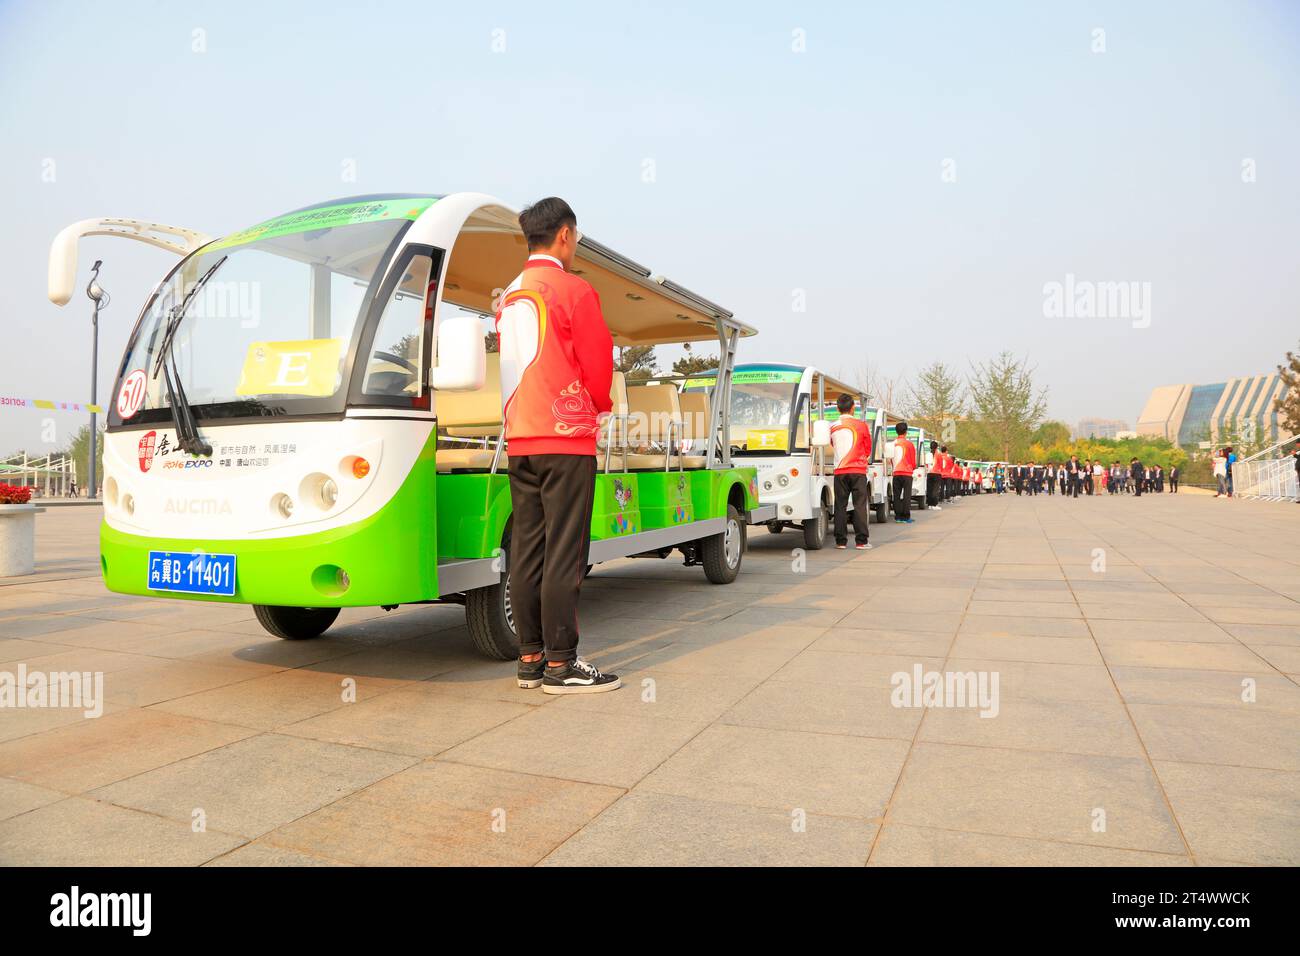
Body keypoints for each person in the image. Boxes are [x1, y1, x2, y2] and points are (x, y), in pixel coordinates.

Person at [497, 197, 619, 695]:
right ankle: (561, 664)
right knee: (565, 553)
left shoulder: (509, 293)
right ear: (565, 236)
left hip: (520, 439)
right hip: (566, 440)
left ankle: (529, 657)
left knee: (528, 550)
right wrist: (597, 407)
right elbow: (596, 366)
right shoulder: (573, 289)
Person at [830, 394, 872, 550]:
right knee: (859, 505)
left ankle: (840, 541)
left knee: (840, 505)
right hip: (858, 470)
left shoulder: (832, 426)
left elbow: (833, 444)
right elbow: (868, 449)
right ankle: (861, 541)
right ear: (853, 407)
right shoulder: (861, 425)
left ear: (837, 408)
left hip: (840, 471)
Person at [891, 422, 916, 523]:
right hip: (907, 473)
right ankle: (906, 517)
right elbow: (913, 461)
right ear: (906, 432)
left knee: (896, 495)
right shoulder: (909, 444)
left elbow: (890, 459)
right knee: (906, 495)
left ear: (896, 431)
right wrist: (912, 468)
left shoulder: (892, 444)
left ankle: (898, 517)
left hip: (896, 473)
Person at [926, 440, 942, 511]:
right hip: (937, 473)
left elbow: (926, 464)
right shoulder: (938, 454)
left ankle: (930, 505)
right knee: (935, 490)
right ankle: (934, 504)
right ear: (937, 447)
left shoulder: (927, 454)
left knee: (929, 489)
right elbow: (941, 465)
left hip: (929, 473)